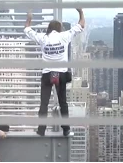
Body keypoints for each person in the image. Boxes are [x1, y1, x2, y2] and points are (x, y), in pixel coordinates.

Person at [24, 8, 85, 136]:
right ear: (59, 28)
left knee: (44, 103)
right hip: (61, 74)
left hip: (47, 75)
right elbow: (81, 25)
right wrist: (80, 12)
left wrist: (29, 18)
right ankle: (66, 130)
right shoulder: (64, 36)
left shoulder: (43, 38)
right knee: (63, 102)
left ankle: (41, 130)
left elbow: (27, 30)